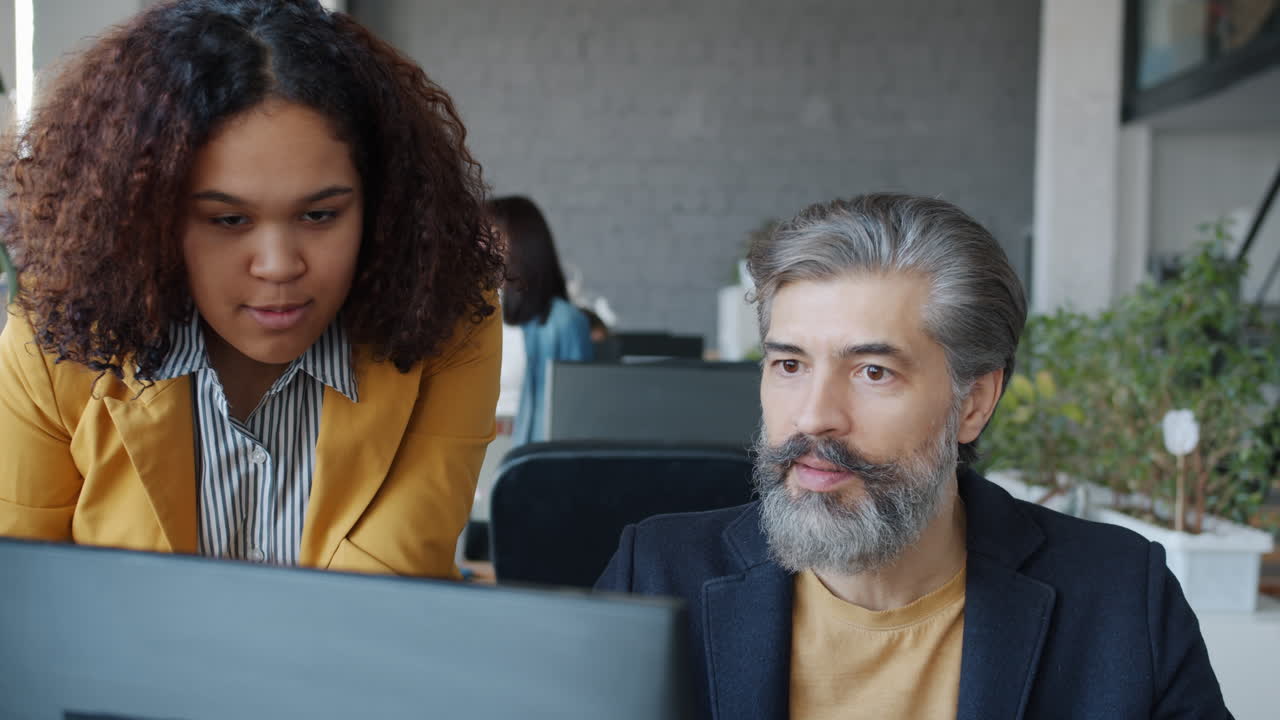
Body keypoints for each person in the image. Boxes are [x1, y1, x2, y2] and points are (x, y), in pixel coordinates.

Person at [596, 194, 1231, 719]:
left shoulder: (1122, 599)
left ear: (973, 403)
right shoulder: (654, 576)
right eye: (789, 365)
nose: (813, 415)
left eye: (873, 372)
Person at [0, 0, 504, 579]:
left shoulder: (447, 321)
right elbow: (21, 592)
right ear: (148, 219)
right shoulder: (57, 336)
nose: (278, 266)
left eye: (320, 215)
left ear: (382, 208)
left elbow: (385, 589)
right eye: (229, 220)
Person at [488, 196, 593, 446]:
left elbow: (574, 414)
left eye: (493, 237)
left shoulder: (563, 322)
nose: (481, 246)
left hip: (524, 452)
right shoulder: (473, 313)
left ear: (521, 245)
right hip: (470, 451)